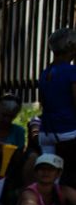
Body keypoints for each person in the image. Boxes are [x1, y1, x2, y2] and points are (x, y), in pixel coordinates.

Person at [38, 28, 76, 187]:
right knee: (70, 179)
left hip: (46, 131)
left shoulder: (46, 72)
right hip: (67, 131)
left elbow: (42, 101)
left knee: (51, 179)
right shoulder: (71, 71)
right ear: (71, 47)